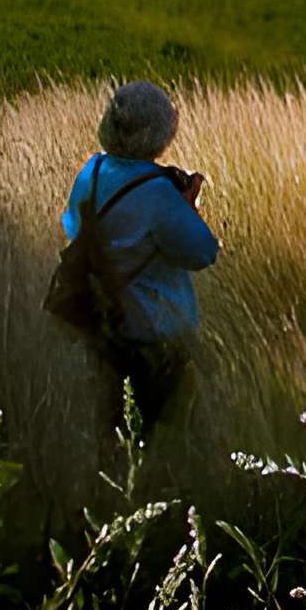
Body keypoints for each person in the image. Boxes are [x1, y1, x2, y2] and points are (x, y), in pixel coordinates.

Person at [61, 80, 221, 428]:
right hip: (155, 335)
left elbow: (72, 225)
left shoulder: (93, 171)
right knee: (166, 435)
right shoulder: (159, 192)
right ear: (159, 132)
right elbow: (203, 252)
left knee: (111, 430)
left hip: (101, 326)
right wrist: (188, 208)